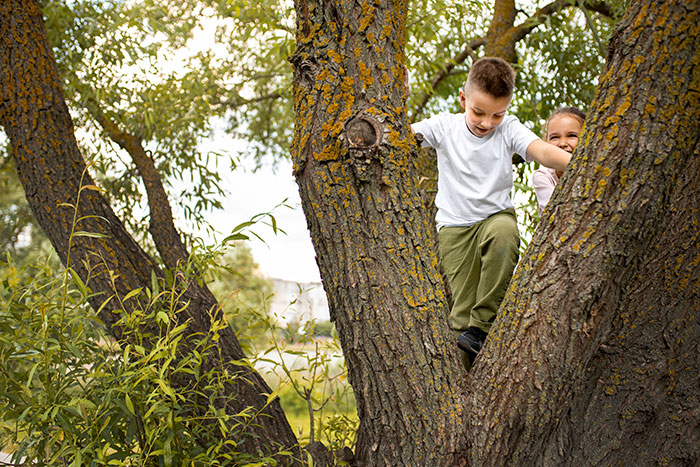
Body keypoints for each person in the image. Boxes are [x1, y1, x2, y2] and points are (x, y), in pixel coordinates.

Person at [411, 57, 571, 366]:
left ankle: (483, 327)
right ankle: (463, 373)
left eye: (497, 114)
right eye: (478, 112)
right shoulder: (444, 126)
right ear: (463, 99)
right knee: (461, 312)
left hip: (495, 219)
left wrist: (583, 162)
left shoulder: (508, 128)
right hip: (455, 228)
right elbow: (401, 137)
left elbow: (540, 151)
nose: (487, 123)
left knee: (505, 233)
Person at [533, 106, 586, 215]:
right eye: (554, 137)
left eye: (571, 135)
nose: (562, 143)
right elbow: (553, 213)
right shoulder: (544, 176)